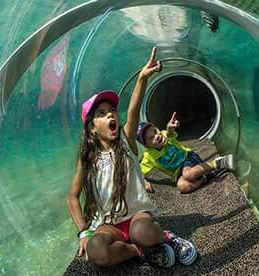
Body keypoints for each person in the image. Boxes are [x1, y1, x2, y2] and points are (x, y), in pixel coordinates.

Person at [66, 47, 198, 268]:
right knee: (96, 251)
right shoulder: (88, 159)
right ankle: (137, 251)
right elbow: (72, 197)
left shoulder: (126, 142)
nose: (110, 114)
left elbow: (134, 108)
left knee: (142, 231)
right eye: (101, 113)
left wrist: (142, 78)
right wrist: (83, 232)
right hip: (108, 225)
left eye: (112, 111)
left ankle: (166, 238)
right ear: (92, 130)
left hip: (137, 217)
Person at [137, 112, 235, 194]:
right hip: (179, 174)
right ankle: (207, 176)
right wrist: (144, 182)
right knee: (182, 187)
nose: (156, 136)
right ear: (147, 146)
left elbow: (169, 132)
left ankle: (219, 162)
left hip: (188, 158)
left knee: (187, 174)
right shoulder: (148, 157)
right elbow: (139, 172)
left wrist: (169, 127)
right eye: (151, 138)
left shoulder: (165, 135)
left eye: (155, 131)